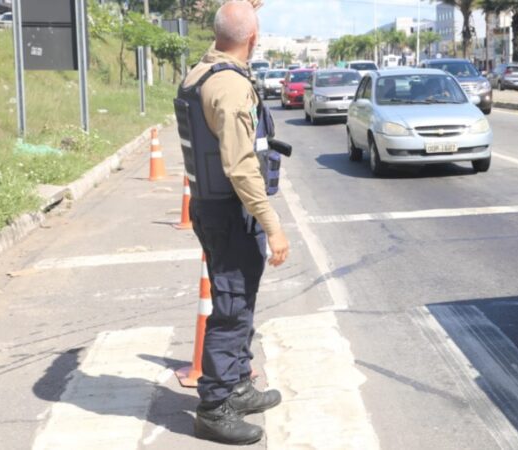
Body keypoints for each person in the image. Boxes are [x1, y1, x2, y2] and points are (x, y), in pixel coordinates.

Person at [178, 0, 288, 445]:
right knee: (232, 304)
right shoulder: (228, 86)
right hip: (231, 210)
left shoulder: (202, 70)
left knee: (238, 298)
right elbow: (241, 165)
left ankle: (238, 384)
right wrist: (273, 224)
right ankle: (215, 406)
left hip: (213, 205)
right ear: (253, 39)